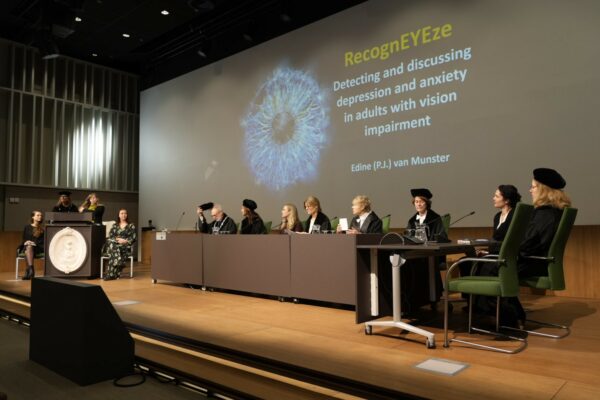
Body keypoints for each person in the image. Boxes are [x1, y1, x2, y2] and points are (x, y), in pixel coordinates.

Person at [103, 208, 136, 280]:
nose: (124, 215)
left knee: (113, 252)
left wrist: (125, 241)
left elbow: (133, 238)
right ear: (119, 215)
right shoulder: (115, 225)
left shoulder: (131, 225)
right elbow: (111, 236)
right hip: (115, 244)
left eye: (125, 213)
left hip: (125, 246)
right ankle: (119, 262)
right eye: (122, 213)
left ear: (127, 215)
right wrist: (118, 240)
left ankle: (110, 275)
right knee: (112, 243)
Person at [18, 211, 44, 280]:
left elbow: (42, 241)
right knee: (28, 248)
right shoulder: (27, 227)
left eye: (41, 215)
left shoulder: (42, 229)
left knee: (28, 249)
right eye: (38, 215)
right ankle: (31, 270)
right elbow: (24, 239)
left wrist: (34, 243)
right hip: (27, 247)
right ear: (33, 217)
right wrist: (26, 242)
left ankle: (28, 271)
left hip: (37, 248)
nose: (40, 217)